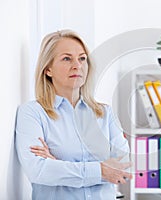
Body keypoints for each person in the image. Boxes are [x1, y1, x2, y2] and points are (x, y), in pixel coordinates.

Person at [15, 29, 132, 200]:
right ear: (48, 69)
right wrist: (101, 170)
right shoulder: (33, 113)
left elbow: (123, 168)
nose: (77, 65)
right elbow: (38, 171)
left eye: (82, 58)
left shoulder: (104, 113)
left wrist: (57, 165)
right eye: (66, 58)